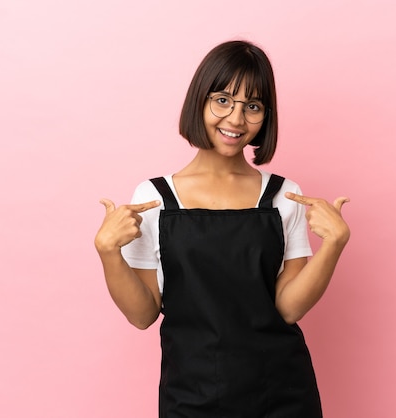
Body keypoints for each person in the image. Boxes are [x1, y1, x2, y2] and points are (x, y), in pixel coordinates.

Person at [94, 40, 350, 418]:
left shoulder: (285, 196)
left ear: (266, 116)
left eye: (253, 106)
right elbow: (143, 314)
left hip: (281, 393)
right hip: (190, 396)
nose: (235, 119)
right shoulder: (156, 198)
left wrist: (334, 245)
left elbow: (289, 308)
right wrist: (107, 252)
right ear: (200, 101)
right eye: (223, 100)